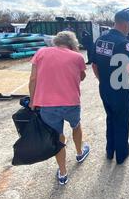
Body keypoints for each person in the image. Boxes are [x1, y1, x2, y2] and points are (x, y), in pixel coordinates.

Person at [29, 31, 90, 185]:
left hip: (47, 104)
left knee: (57, 136)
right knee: (76, 126)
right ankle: (79, 152)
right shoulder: (77, 57)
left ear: (56, 42)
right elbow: (82, 76)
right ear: (73, 44)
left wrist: (32, 100)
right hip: (71, 102)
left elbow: (33, 78)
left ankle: (63, 173)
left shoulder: (41, 53)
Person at [91, 11, 129, 164]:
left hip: (104, 88)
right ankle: (121, 154)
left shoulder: (100, 40)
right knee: (121, 120)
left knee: (110, 118)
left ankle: (110, 151)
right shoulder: (124, 43)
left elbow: (94, 65)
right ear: (126, 23)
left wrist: (102, 81)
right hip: (120, 90)